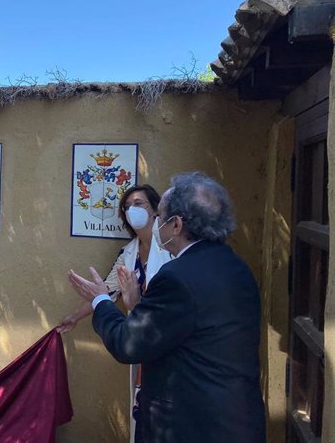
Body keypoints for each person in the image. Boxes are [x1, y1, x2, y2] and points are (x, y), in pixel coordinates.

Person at [67, 172, 266, 443]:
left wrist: (101, 300)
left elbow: (128, 344)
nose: (155, 223)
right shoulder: (236, 268)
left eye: (159, 216)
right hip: (235, 419)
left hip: (191, 424)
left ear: (176, 225)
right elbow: (191, 331)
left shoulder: (176, 277)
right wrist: (137, 305)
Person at [58, 184, 171, 443]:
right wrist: (75, 317)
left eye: (140, 203)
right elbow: (105, 294)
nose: (133, 210)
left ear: (156, 209)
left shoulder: (171, 246)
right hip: (139, 340)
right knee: (142, 408)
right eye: (128, 206)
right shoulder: (129, 252)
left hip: (168, 339)